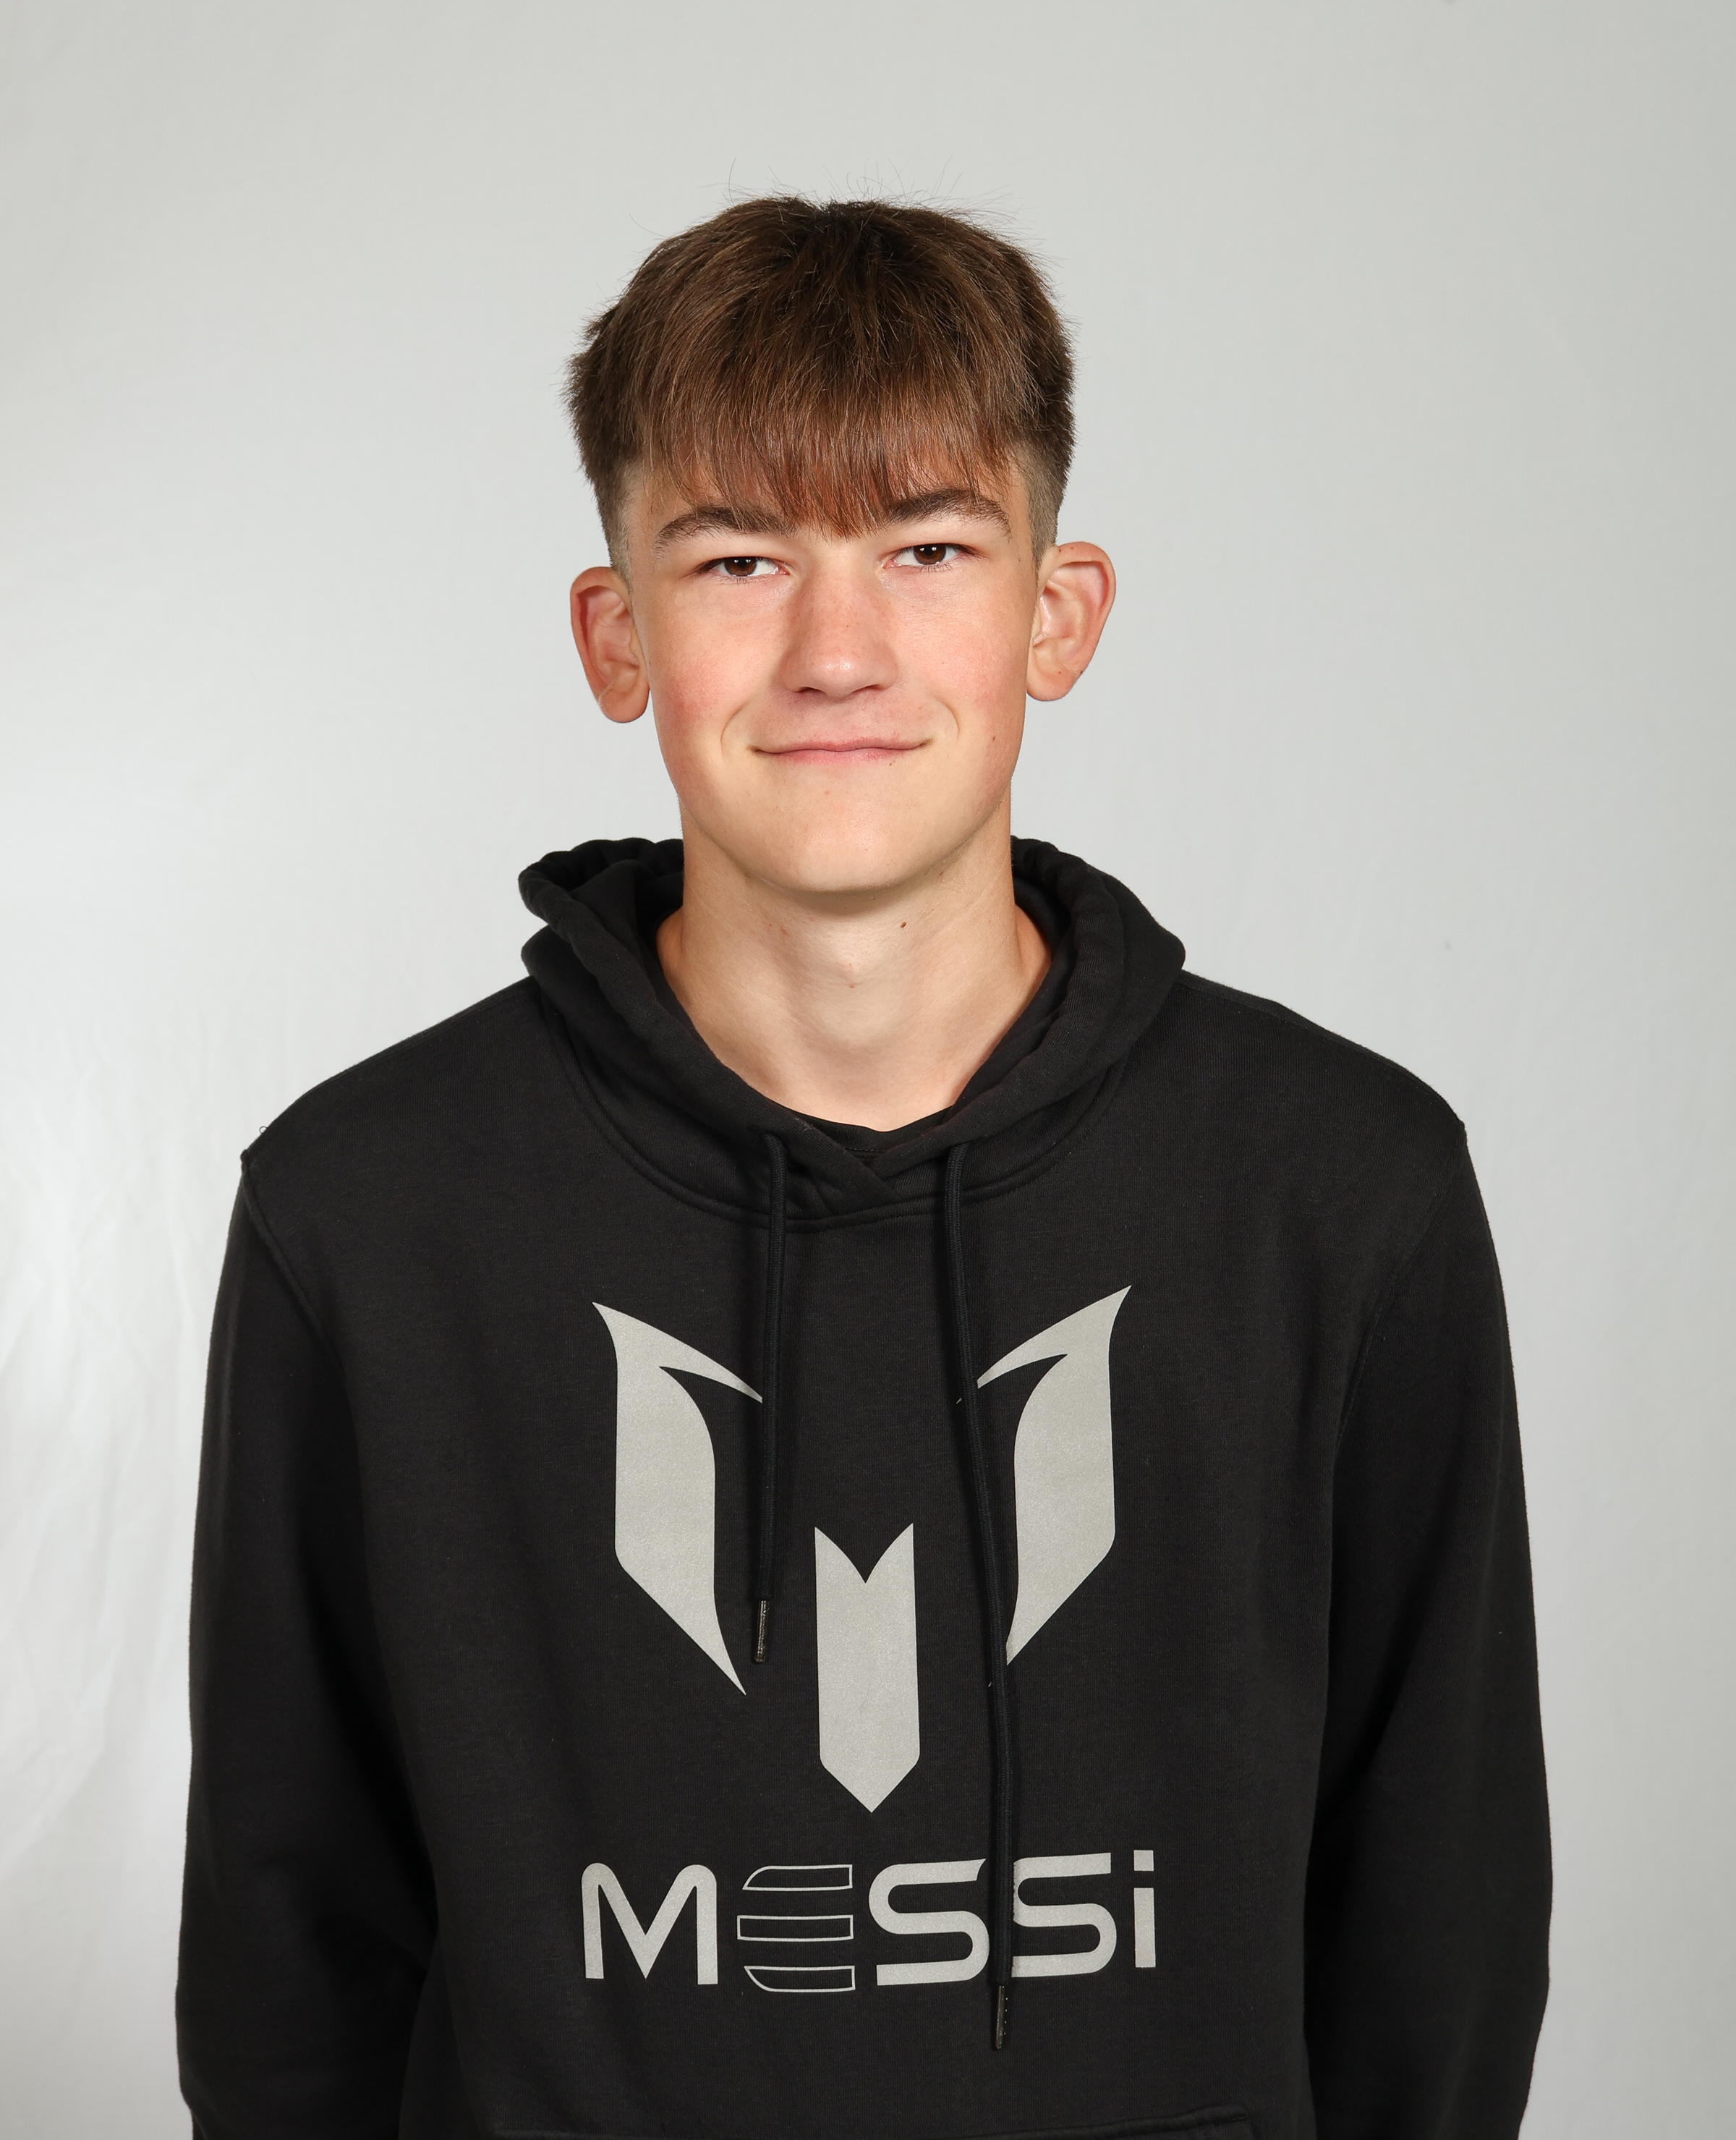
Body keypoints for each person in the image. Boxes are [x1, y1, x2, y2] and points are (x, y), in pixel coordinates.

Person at [177, 198, 1550, 2140]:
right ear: (617, 635)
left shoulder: (1341, 1194)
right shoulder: (367, 1218)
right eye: (740, 558)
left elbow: (1438, 1934)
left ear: (1057, 614)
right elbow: (289, 1953)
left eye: (927, 548)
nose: (836, 652)